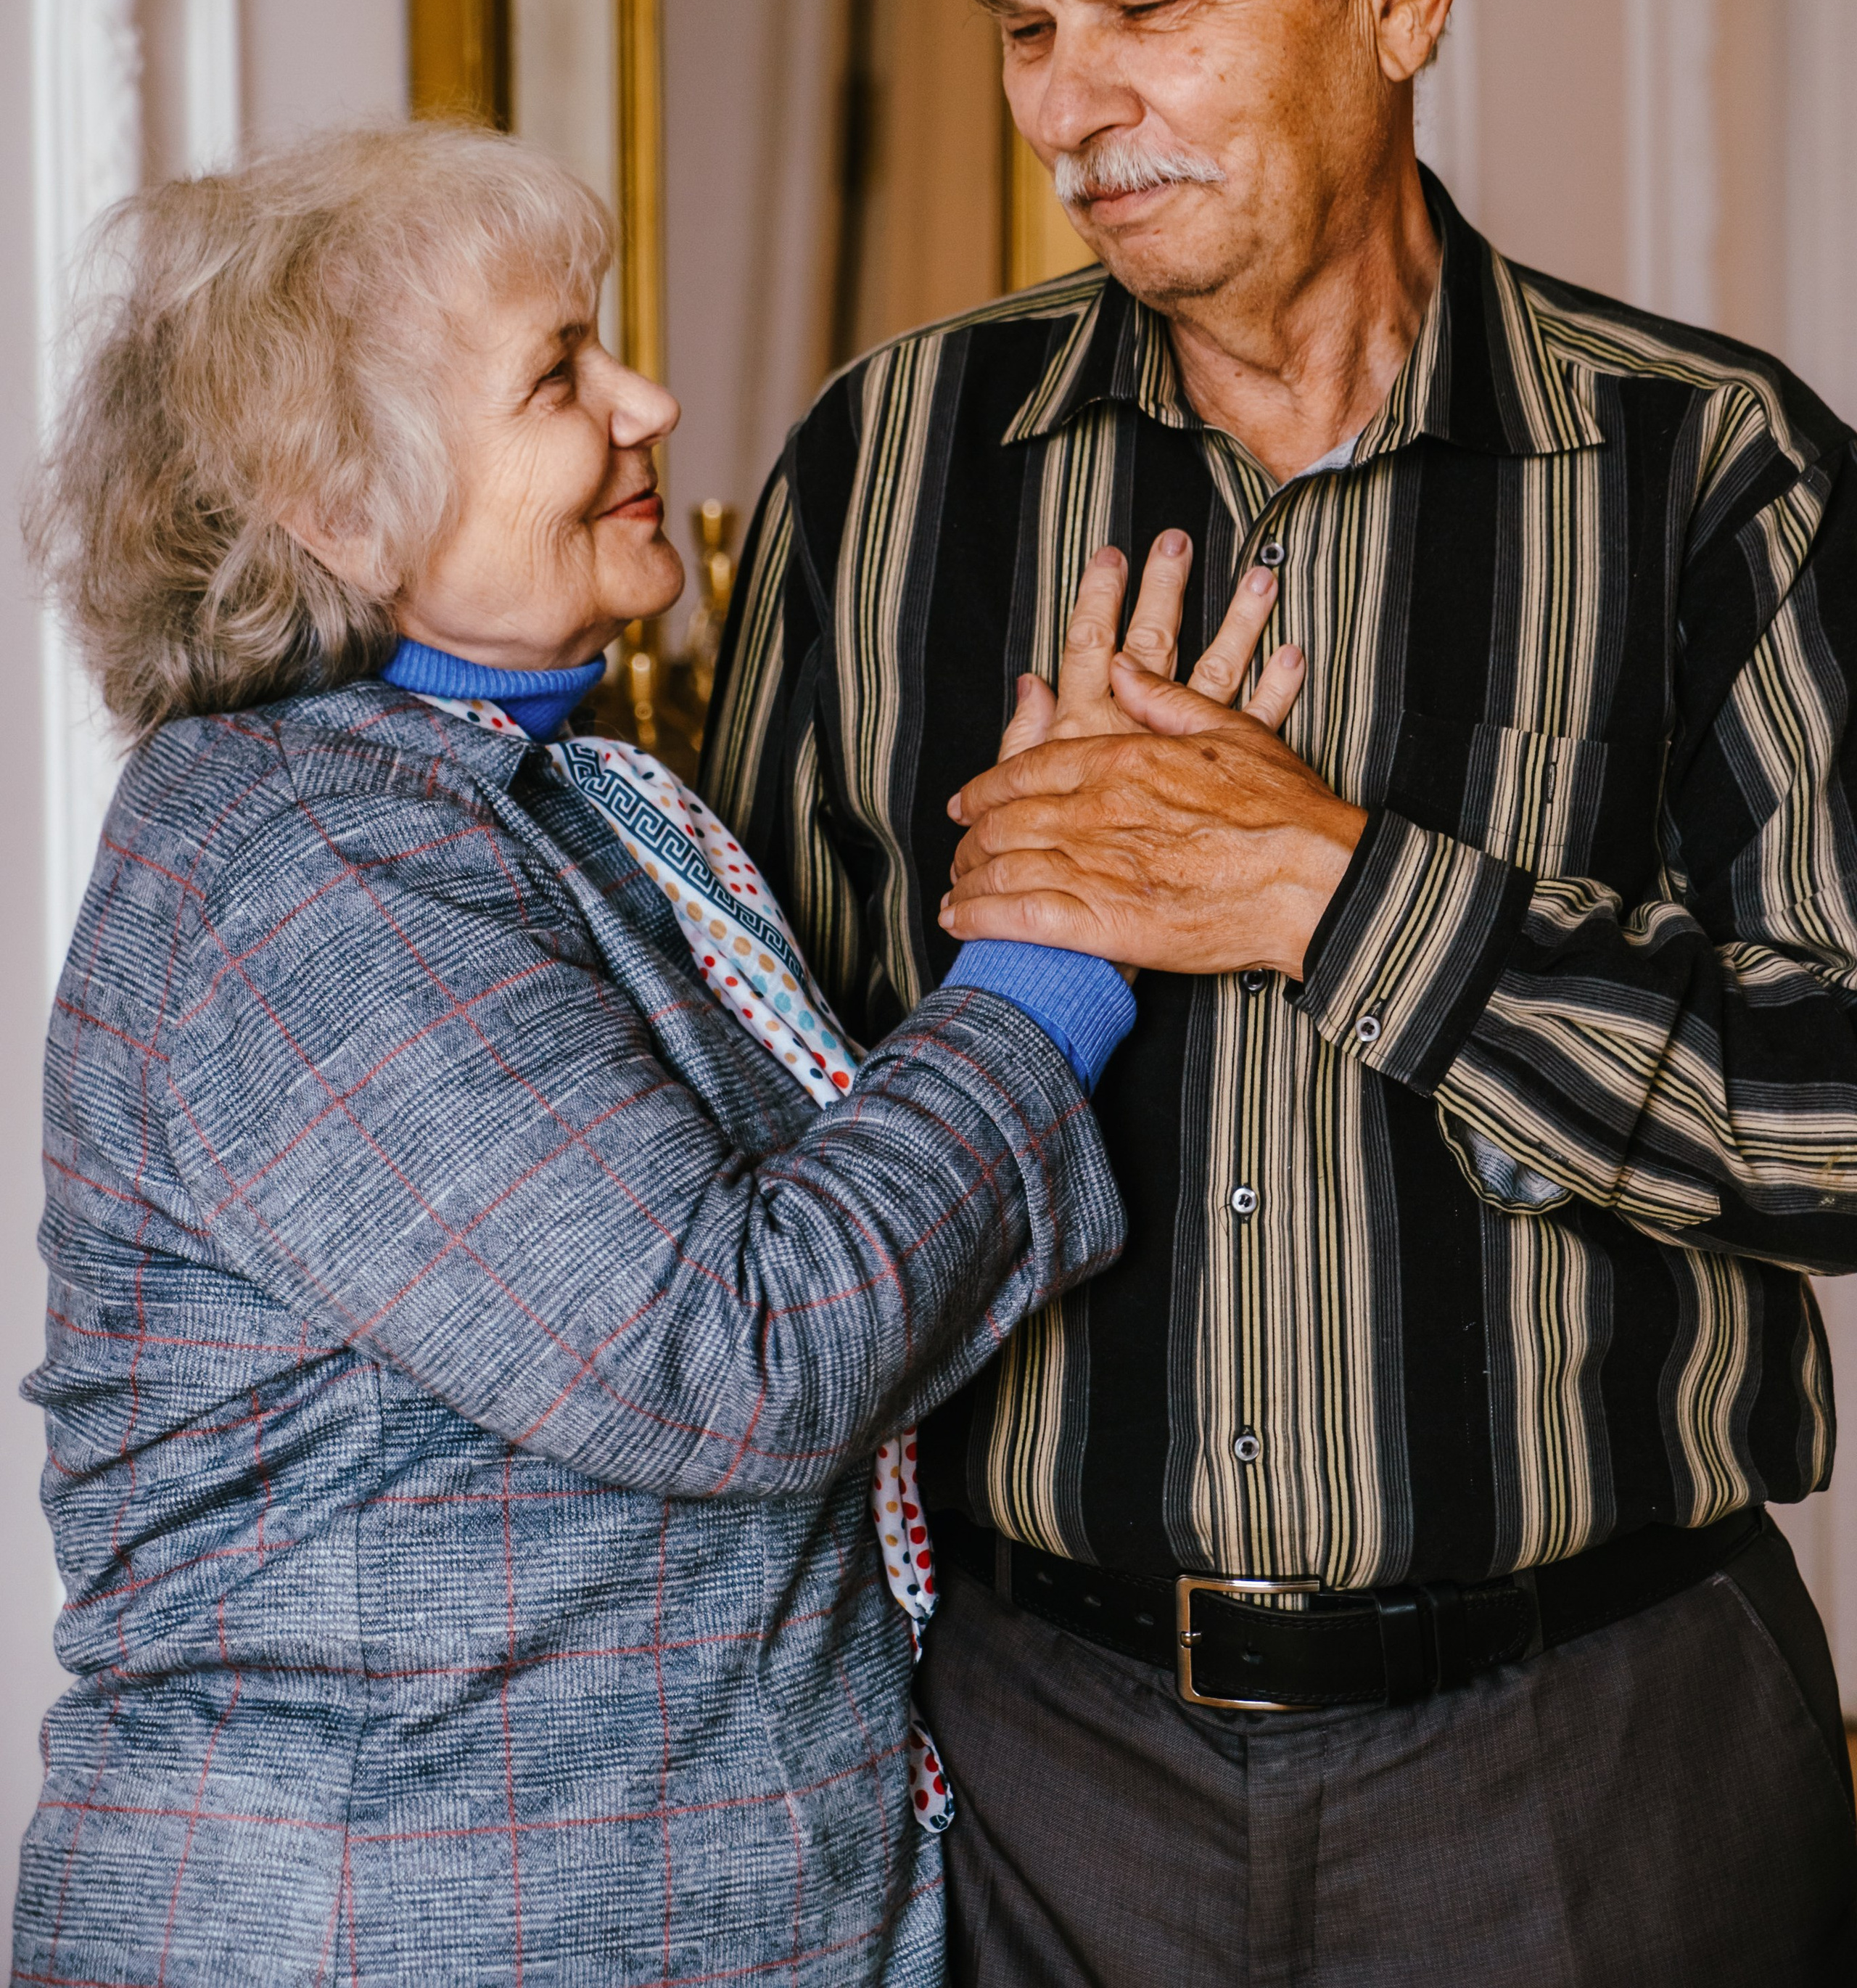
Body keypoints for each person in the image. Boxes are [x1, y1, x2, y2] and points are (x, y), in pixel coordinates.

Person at [702, 0, 1857, 1986]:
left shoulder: (1713, 470)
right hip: (1037, 1765)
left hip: (1597, 1764)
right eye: (1029, 26)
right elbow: (747, 1153)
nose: (1074, 105)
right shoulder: (889, 469)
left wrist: (1331, 891)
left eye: (1149, 2)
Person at [14, 124, 1302, 1986]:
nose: (653, 399)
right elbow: (729, 1353)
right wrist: (1055, 955)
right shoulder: (297, 869)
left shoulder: (532, 803)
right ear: (334, 500)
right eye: (560, 374)